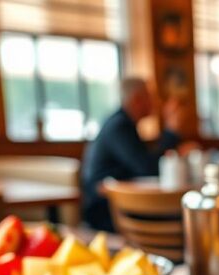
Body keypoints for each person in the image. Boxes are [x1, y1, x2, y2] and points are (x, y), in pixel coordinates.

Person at [80, 78, 186, 231]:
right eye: (151, 97)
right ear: (137, 99)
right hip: (104, 212)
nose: (155, 102)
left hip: (117, 206)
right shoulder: (119, 126)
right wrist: (171, 130)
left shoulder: (122, 123)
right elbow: (147, 168)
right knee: (178, 218)